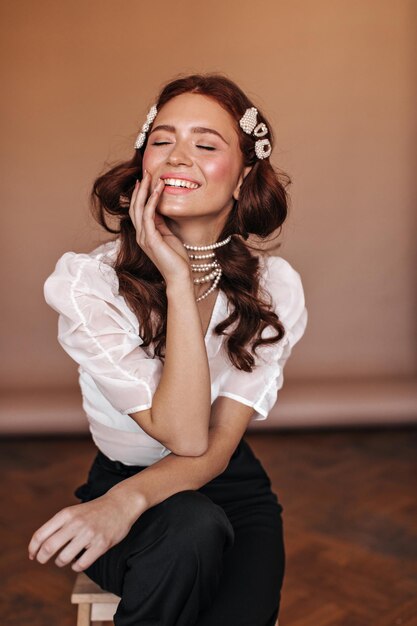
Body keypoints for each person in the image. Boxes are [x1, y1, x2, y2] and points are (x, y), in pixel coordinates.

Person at [28, 72, 308, 626]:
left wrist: (121, 506)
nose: (179, 156)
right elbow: (179, 431)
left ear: (243, 178)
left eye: (206, 145)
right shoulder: (91, 285)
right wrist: (177, 281)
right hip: (128, 483)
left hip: (231, 486)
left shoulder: (274, 286)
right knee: (189, 528)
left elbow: (210, 446)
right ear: (142, 166)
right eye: (162, 140)